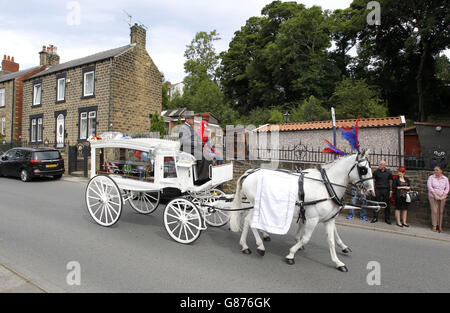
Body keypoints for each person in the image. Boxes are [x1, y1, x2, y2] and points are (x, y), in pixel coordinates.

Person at [427, 166, 449, 233]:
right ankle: (434, 225)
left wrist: (443, 195)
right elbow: (430, 187)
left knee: (440, 212)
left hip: (442, 197)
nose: (435, 171)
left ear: (441, 171)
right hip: (433, 197)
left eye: (437, 170)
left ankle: (440, 226)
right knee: (434, 211)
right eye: (435, 170)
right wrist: (435, 195)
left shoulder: (445, 178)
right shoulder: (431, 177)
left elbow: (447, 188)